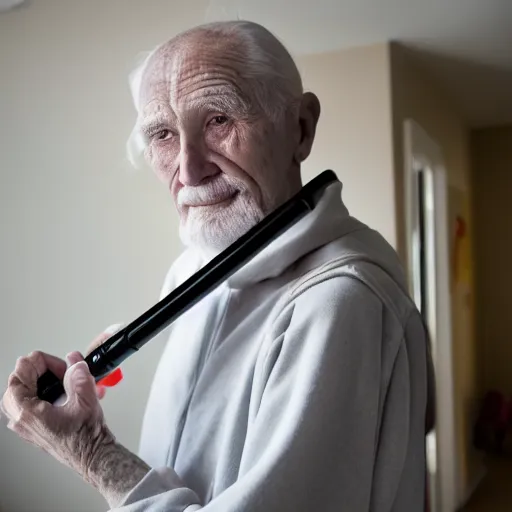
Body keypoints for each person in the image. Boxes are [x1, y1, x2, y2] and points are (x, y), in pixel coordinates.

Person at [1, 21, 434, 511]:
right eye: (162, 134)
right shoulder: (192, 269)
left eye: (218, 120)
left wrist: (92, 452)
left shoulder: (343, 302)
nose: (188, 170)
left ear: (301, 127)